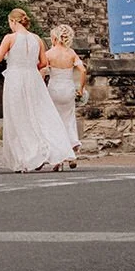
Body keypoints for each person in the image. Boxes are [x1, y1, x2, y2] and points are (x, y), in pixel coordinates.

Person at [0, 8, 76, 172]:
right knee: (40, 114)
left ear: (13, 21)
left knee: (18, 117)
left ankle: (26, 158)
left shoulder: (10, 38)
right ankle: (51, 150)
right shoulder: (37, 39)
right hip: (33, 79)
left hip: (15, 78)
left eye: (10, 22)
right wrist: (29, 67)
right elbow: (43, 63)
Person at [41, 24, 86, 167]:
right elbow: (83, 70)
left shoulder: (49, 54)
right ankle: (72, 154)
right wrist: (81, 88)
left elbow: (43, 71)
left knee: (54, 122)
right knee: (69, 120)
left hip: (54, 89)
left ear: (54, 37)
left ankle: (57, 158)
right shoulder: (72, 53)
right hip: (68, 89)